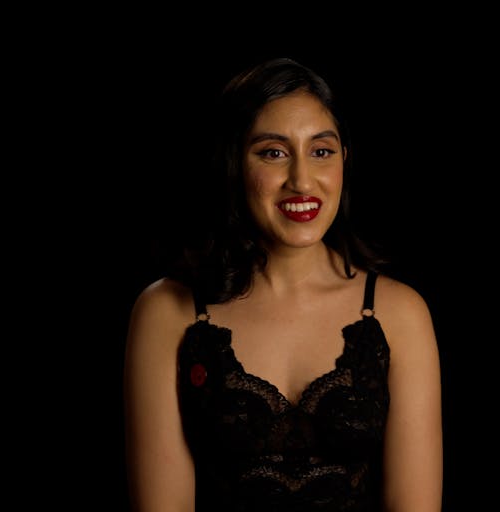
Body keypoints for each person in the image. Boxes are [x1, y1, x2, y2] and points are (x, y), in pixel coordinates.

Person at [123, 57, 442, 511]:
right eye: (273, 152)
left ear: (345, 159)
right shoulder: (167, 311)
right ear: (233, 162)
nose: (302, 180)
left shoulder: (400, 313)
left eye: (321, 151)